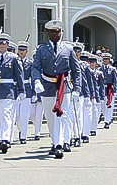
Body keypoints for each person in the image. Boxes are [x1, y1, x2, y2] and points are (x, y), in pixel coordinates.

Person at [31, 19, 81, 159]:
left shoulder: (68, 49)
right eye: (52, 32)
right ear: (48, 33)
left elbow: (76, 70)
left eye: (57, 32)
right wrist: (36, 81)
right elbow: (36, 67)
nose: (55, 34)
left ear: (61, 33)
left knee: (62, 115)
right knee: (50, 116)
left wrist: (77, 88)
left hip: (63, 86)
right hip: (47, 85)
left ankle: (61, 143)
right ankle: (56, 141)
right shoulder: (41, 49)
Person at [0, 33, 24, 153]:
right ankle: (0, 139)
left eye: (4, 43)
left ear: (7, 45)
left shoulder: (13, 58)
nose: (1, 45)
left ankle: (5, 139)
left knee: (6, 115)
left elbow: (19, 75)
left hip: (8, 90)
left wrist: (21, 90)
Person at [15, 41, 33, 144]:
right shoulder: (15, 61)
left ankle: (23, 136)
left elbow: (33, 78)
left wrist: (34, 93)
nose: (21, 52)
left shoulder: (29, 63)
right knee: (17, 116)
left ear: (27, 51)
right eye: (20, 50)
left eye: (23, 50)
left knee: (24, 115)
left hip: (27, 90)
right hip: (16, 90)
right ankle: (21, 129)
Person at [101, 53, 117, 129]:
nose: (105, 61)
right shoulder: (99, 69)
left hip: (110, 89)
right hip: (102, 89)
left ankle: (107, 121)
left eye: (107, 59)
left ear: (109, 60)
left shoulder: (112, 69)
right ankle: (107, 117)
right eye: (104, 59)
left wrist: (116, 90)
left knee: (109, 105)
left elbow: (116, 80)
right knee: (103, 106)